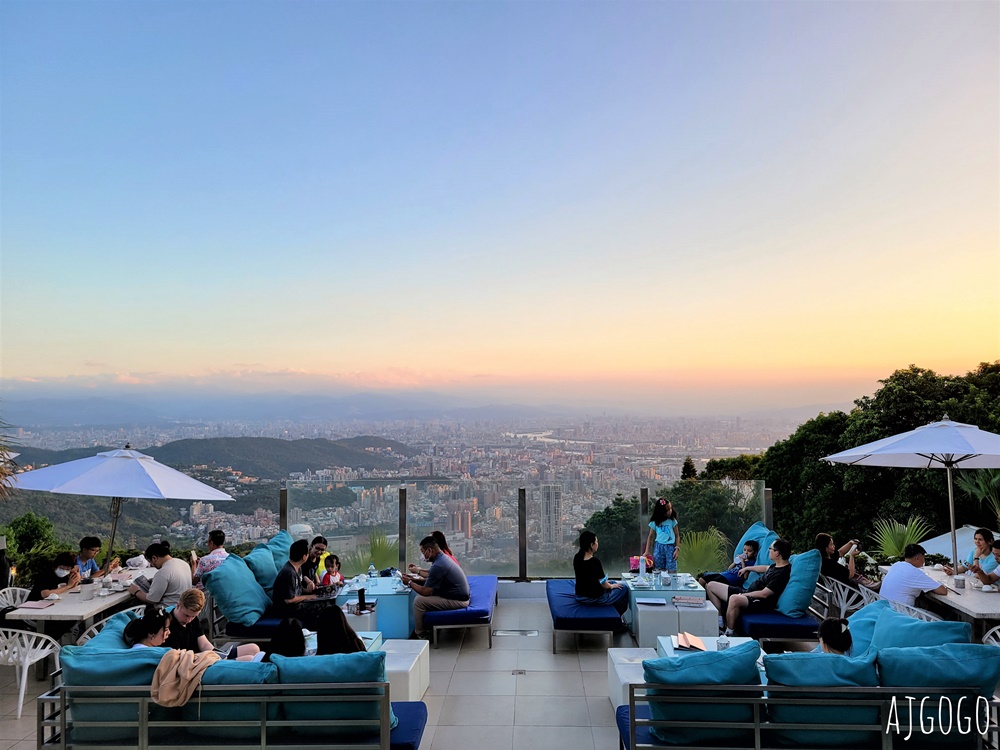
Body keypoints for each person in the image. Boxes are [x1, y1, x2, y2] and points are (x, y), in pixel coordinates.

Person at [706, 538, 793, 637]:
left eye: (770, 549)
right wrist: (747, 568)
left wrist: (744, 594)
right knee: (711, 585)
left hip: (759, 601)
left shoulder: (782, 573)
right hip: (749, 593)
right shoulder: (776, 566)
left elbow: (764, 594)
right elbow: (764, 568)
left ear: (777, 553)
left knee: (734, 598)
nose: (769, 550)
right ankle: (720, 621)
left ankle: (728, 634)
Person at [401, 536, 470, 639]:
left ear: (430, 550)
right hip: (457, 595)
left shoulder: (438, 565)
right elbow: (431, 580)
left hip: (459, 601)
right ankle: (427, 627)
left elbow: (425, 592)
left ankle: (420, 633)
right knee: (423, 596)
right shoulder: (442, 558)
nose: (422, 555)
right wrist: (414, 580)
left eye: (423, 551)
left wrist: (410, 582)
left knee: (419, 601)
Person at [164, 588, 261, 660]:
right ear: (178, 605)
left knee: (253, 648)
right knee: (248, 659)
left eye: (193, 616)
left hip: (206, 656)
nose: (189, 620)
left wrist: (220, 654)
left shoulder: (193, 620)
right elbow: (179, 657)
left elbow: (204, 644)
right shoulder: (169, 626)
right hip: (197, 661)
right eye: (186, 615)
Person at [272, 539, 330, 629]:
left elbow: (297, 588)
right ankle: (314, 633)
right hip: (286, 609)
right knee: (322, 608)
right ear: (304, 557)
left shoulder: (298, 569)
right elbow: (289, 600)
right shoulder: (289, 572)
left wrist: (307, 591)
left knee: (325, 602)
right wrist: (308, 597)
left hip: (295, 604)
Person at [572, 530, 629, 615]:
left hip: (580, 595)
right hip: (594, 598)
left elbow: (588, 578)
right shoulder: (594, 562)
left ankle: (612, 612)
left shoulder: (577, 558)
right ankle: (617, 616)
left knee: (613, 583)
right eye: (596, 542)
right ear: (591, 545)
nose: (597, 544)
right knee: (623, 588)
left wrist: (610, 584)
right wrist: (610, 586)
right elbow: (603, 583)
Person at [878, 544, 947, 607]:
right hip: (901, 614)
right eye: (923, 558)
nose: (924, 561)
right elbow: (943, 591)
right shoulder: (915, 573)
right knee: (938, 617)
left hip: (884, 607)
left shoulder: (896, 565)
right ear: (917, 558)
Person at [130, 541, 192, 608]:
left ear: (154, 558)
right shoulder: (183, 563)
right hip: (183, 606)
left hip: (167, 610)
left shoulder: (163, 572)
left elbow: (151, 599)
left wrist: (136, 591)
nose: (152, 565)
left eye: (150, 562)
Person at [642, 498, 680, 573]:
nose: (670, 511)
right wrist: (647, 551)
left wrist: (677, 549)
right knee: (658, 570)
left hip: (670, 547)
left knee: (672, 570)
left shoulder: (672, 521)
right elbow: (650, 537)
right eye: (667, 510)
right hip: (659, 547)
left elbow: (677, 536)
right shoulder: (655, 522)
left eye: (670, 509)